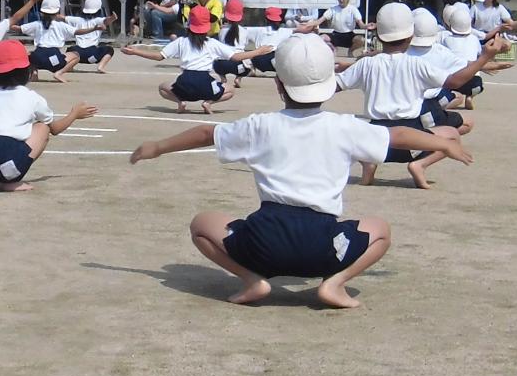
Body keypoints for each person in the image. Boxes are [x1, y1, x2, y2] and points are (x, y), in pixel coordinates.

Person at [127, 35, 470, 308]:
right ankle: (334, 284)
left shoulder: (261, 125)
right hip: (324, 248)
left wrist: (157, 147)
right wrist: (442, 144)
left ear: (278, 84)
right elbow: (396, 134)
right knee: (381, 230)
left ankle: (252, 280)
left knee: (202, 224)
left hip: (262, 244)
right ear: (327, 84)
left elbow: (206, 133)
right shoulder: (344, 127)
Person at [335, 2, 505, 189]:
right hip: (412, 143)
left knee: (348, 125)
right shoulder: (416, 65)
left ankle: (368, 163)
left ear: (378, 36)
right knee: (452, 134)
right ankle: (420, 164)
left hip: (374, 142)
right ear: (410, 36)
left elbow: (334, 85)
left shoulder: (366, 64)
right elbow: (455, 82)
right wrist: (484, 58)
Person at [0, 41, 97, 191]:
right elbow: (55, 129)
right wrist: (74, 114)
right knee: (43, 127)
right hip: (5, 160)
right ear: (27, 70)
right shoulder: (31, 97)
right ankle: (10, 181)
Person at [119, 5, 236, 114]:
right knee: (230, 90)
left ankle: (181, 102)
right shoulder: (212, 43)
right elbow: (236, 57)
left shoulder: (181, 41)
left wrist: (135, 51)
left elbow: (159, 56)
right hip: (206, 85)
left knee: (163, 87)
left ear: (189, 24)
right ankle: (208, 103)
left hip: (184, 85)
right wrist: (254, 52)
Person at [24, 0, 79, 81]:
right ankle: (59, 73)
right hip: (55, 60)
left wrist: (7, 24)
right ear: (57, 11)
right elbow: (78, 31)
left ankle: (34, 73)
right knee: (76, 55)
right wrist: (94, 28)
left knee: (29, 54)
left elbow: (19, 28)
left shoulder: (37, 24)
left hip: (37, 59)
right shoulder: (61, 25)